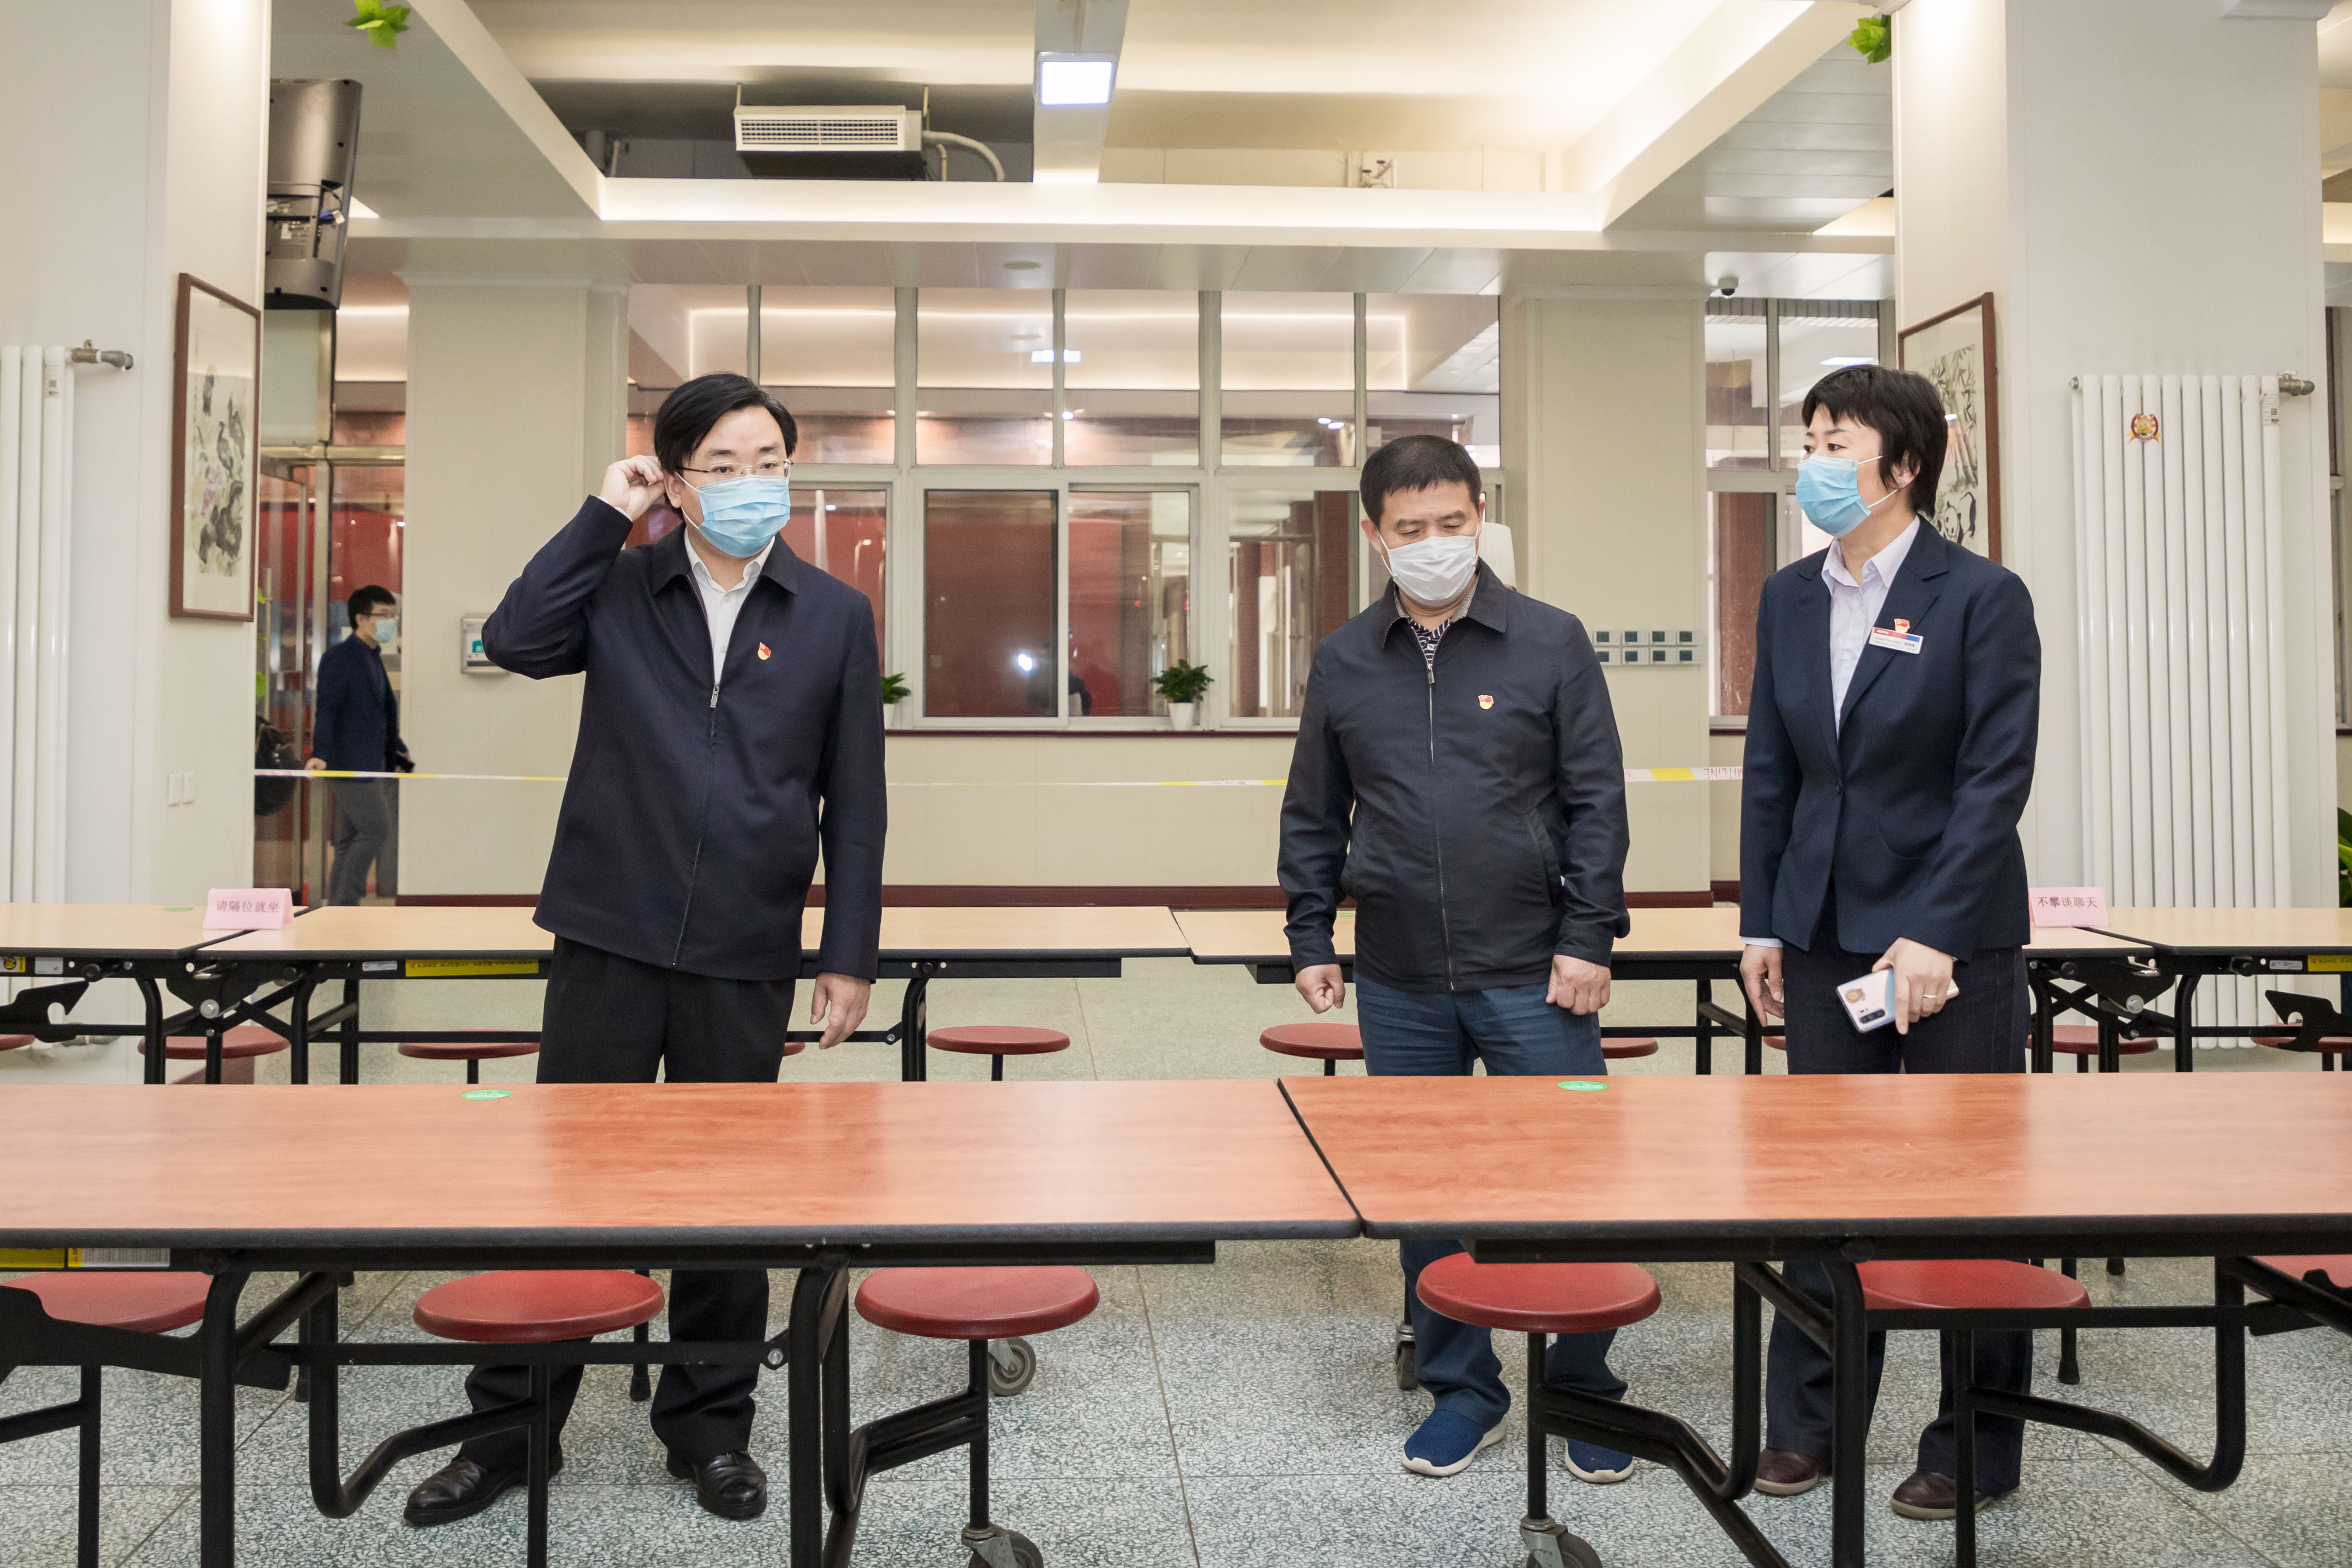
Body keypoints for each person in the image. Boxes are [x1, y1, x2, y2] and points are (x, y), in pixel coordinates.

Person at [402, 373, 886, 1530]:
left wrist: (848, 951)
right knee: (564, 1194)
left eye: (768, 460)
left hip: (745, 944)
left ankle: (710, 1430)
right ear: (673, 480)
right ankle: (511, 1427)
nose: (751, 482)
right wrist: (603, 512)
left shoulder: (831, 613)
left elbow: (856, 797)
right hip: (610, 929)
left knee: (725, 1206)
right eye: (721, 464)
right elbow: (515, 639)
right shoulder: (624, 585)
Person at [1279, 433, 1635, 1484]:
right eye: (1411, 528)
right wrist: (1311, 933)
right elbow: (1314, 808)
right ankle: (1463, 1389)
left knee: (1572, 1182)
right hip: (1399, 978)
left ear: (1480, 516)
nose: (1434, 543)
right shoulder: (1346, 657)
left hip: (1537, 970)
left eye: (1451, 522)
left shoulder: (1550, 640)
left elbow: (1598, 802)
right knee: (1425, 1191)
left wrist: (1588, 937)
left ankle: (1583, 1386)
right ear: (1374, 534)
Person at [1736, 364, 2041, 1521]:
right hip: (1822, 927)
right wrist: (1764, 918)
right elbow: (1771, 769)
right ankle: (1808, 1424)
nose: (1813, 463)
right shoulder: (1789, 596)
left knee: (1971, 1193)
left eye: (1837, 442)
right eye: (1808, 440)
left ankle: (1974, 1440)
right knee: (1826, 1185)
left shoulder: (1982, 596)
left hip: (1953, 940)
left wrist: (1933, 932)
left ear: (1904, 464)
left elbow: (1993, 780)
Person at [307, 584, 410, 904]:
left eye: (393, 616)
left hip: (370, 761)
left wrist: (397, 748)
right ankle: (348, 901)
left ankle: (339, 907)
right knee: (376, 828)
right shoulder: (340, 658)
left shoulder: (373, 657)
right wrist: (320, 753)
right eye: (384, 615)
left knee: (350, 837)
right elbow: (327, 708)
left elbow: (377, 713)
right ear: (361, 619)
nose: (390, 622)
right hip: (347, 762)